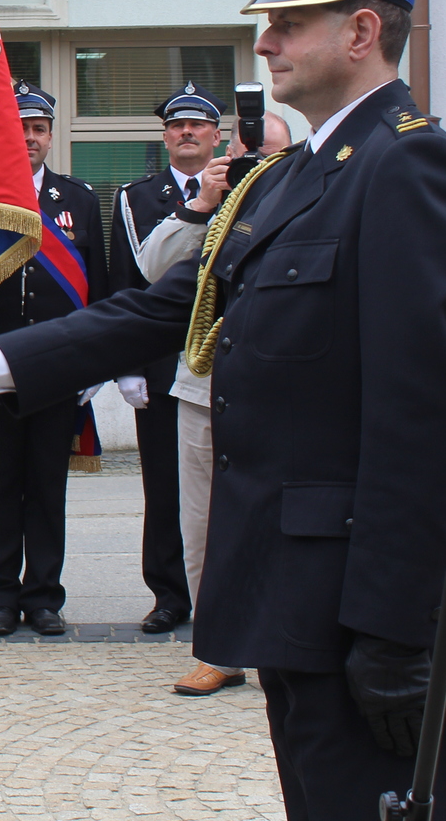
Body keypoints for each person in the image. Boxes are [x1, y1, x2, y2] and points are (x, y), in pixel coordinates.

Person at [0, 0, 446, 819]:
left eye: (288, 24)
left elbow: (421, 420)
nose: (264, 44)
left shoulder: (409, 166)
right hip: (293, 593)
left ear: (362, 30)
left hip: (363, 607)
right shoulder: (289, 177)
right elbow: (162, 307)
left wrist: (399, 630)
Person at [135, 111, 293, 693]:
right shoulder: (217, 205)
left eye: (270, 153)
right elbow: (153, 267)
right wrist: (204, 203)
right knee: (202, 523)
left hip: (284, 390)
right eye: (248, 153)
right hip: (205, 384)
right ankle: (219, 648)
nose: (258, 164)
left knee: (282, 524)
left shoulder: (309, 199)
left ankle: (285, 643)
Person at [0, 82, 106, 638]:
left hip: (57, 365)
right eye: (20, 128)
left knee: (48, 486)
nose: (29, 137)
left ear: (51, 136)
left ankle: (44, 596)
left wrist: (96, 360)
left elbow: (99, 286)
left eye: (39, 129)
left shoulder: (79, 199)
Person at [107, 84, 223, 634]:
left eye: (197, 125)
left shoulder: (238, 186)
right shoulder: (137, 198)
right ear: (165, 136)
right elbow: (125, 282)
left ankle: (221, 591)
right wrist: (126, 362)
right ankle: (169, 594)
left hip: (218, 361)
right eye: (178, 125)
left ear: (216, 135)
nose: (187, 132)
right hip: (159, 361)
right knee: (163, 486)